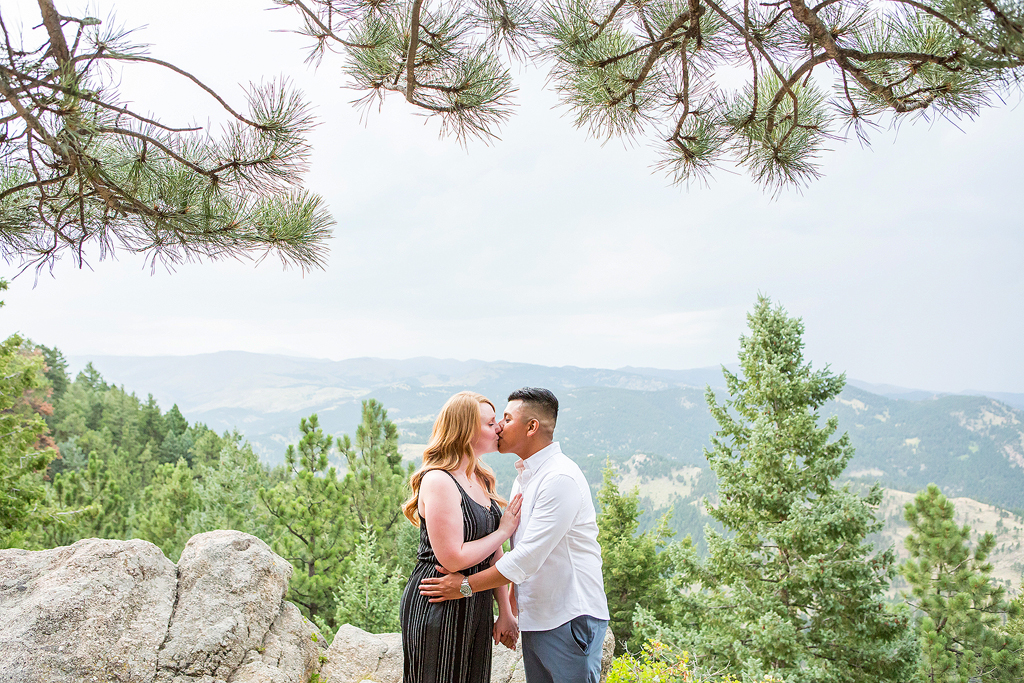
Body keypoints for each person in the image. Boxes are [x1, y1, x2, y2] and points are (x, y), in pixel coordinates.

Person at [419, 387, 610, 683]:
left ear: (532, 427)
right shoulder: (525, 477)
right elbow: (516, 547)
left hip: (568, 617)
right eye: (495, 421)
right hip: (540, 618)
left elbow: (526, 559)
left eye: (506, 419)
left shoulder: (559, 478)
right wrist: (510, 610)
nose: (499, 427)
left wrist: (466, 586)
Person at [400, 391, 523, 683]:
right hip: (438, 600)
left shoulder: (479, 477)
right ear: (466, 431)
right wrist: (504, 531)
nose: (499, 429)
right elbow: (452, 557)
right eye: (490, 423)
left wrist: (504, 610)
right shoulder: (439, 480)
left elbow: (493, 554)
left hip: (474, 601)